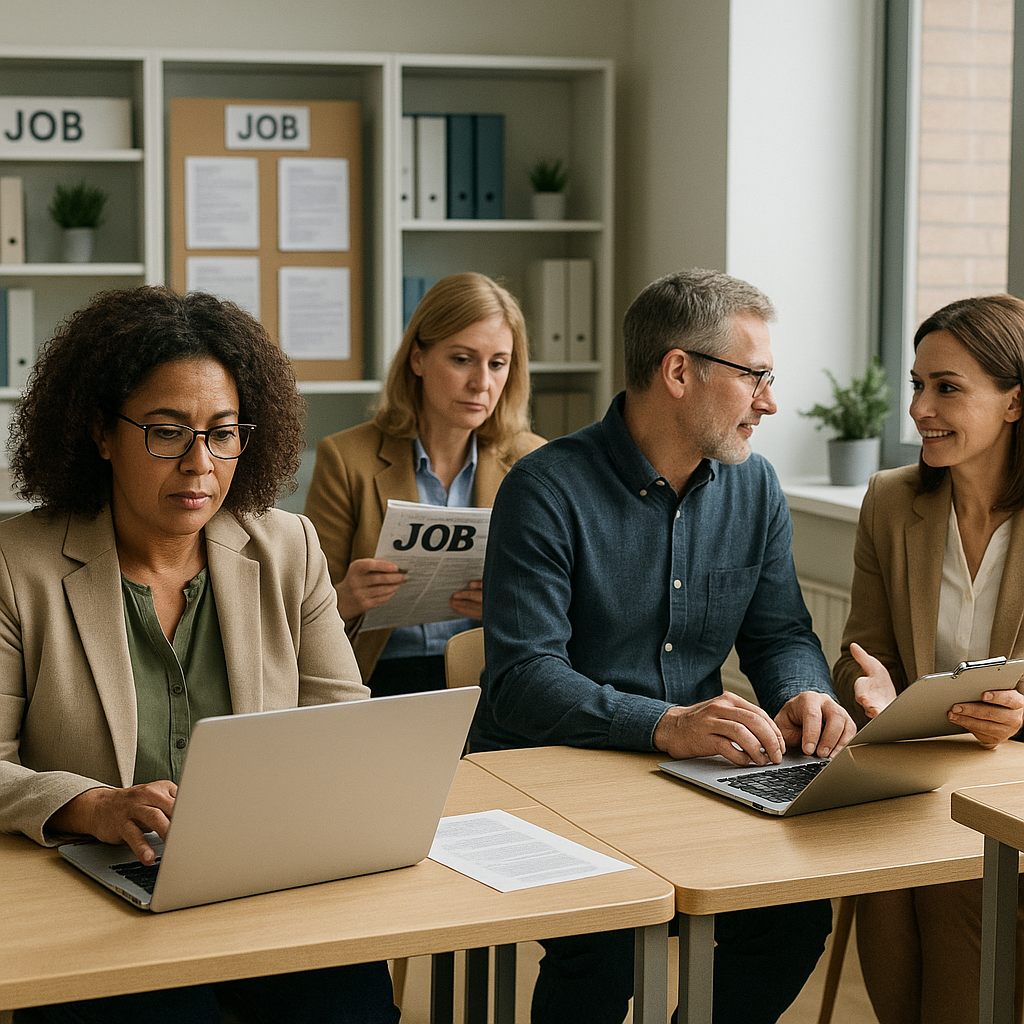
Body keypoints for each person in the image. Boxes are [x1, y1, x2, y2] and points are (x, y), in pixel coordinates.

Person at [0, 286, 399, 1024]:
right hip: (91, 903)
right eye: (166, 431)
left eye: (222, 432)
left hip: (262, 885)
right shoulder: (17, 565)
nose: (199, 463)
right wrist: (86, 805)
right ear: (100, 432)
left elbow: (345, 728)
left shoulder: (288, 546)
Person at [472, 268, 857, 1024]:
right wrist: (665, 723)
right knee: (605, 944)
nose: (770, 402)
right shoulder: (544, 488)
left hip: (693, 779)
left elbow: (780, 633)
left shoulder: (758, 488)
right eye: (755, 377)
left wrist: (804, 695)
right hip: (552, 778)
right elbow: (521, 678)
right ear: (678, 371)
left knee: (793, 918)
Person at [832, 293, 1024, 1024]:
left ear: (1013, 402)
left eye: (948, 387)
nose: (920, 408)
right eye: (918, 385)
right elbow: (858, 653)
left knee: (959, 884)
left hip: (1009, 793)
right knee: (883, 876)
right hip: (917, 779)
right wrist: (868, 686)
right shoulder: (891, 501)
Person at [304, 272, 544, 694]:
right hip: (381, 677)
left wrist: (508, 610)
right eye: (462, 359)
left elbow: (564, 606)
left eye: (497, 364)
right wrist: (347, 596)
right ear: (418, 358)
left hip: (493, 675)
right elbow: (300, 620)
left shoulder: (532, 460)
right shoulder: (345, 459)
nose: (481, 383)